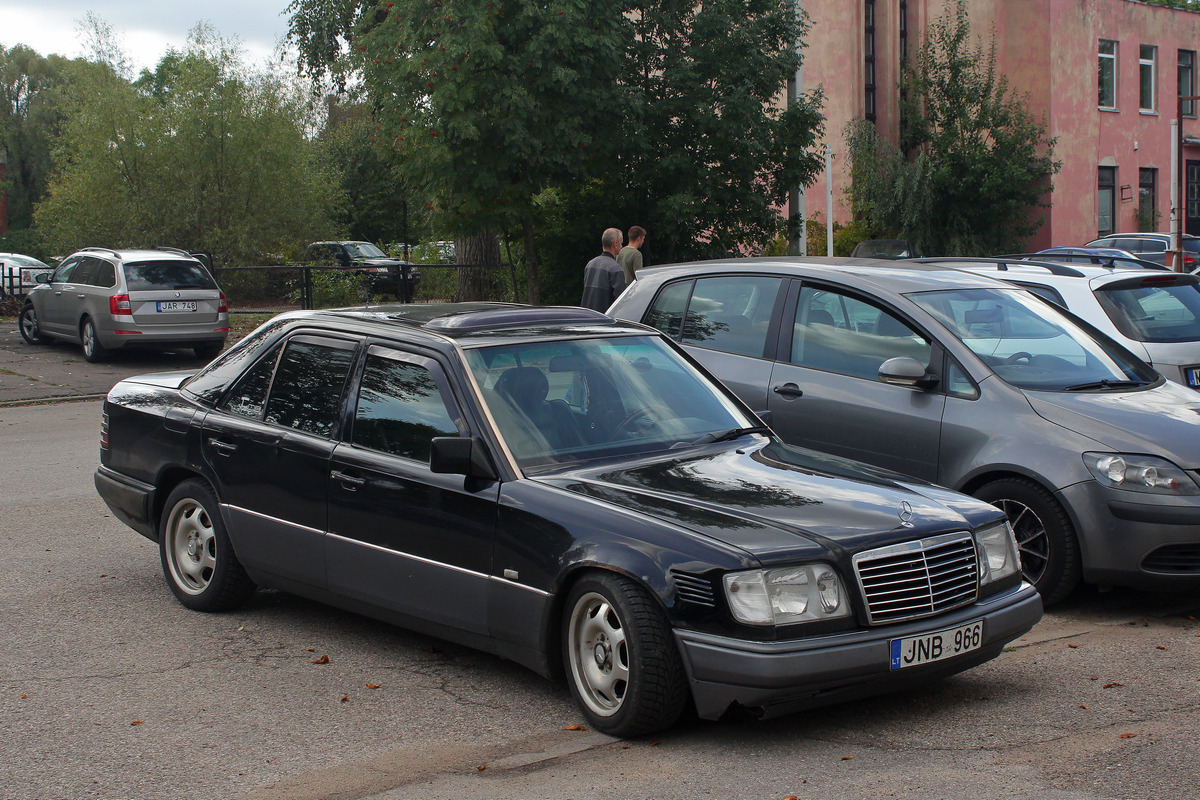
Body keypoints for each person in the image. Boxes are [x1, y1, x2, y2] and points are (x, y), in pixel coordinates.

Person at [580, 228, 626, 311]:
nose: (621, 246)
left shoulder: (590, 264)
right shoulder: (615, 268)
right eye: (621, 243)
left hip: (587, 316)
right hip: (604, 319)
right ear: (615, 244)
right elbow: (620, 302)